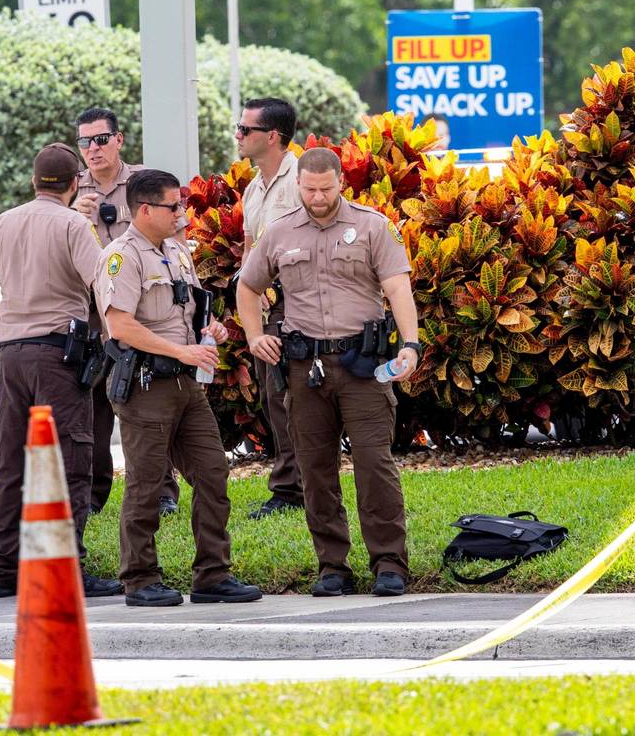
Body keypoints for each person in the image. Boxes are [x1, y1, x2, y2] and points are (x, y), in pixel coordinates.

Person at [237, 148, 422, 598]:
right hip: (304, 368)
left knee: (374, 464)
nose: (318, 197)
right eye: (309, 189)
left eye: (326, 188)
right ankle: (333, 566)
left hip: (362, 365)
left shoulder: (372, 226)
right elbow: (247, 285)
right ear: (298, 184)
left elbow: (398, 287)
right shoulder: (279, 232)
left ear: (341, 181)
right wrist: (254, 336)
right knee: (315, 469)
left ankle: (389, 564)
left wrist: (410, 344)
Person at [0, 142, 123, 600]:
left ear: (34, 182)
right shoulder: (74, 224)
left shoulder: (2, 223)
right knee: (69, 461)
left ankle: (2, 572)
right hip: (59, 356)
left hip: (11, 356)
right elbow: (103, 285)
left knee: (11, 461)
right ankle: (64, 569)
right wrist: (116, 342)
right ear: (75, 184)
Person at [98, 168, 263, 607]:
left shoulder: (176, 250)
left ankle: (212, 574)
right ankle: (139, 578)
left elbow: (184, 311)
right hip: (146, 385)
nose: (182, 213)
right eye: (175, 206)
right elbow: (119, 326)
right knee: (147, 483)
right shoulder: (121, 256)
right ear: (146, 209)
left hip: (187, 386)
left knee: (212, 472)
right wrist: (180, 352)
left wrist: (209, 331)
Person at [73, 106, 180, 518]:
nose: (93, 149)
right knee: (93, 411)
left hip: (141, 313)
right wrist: (73, 217)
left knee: (151, 404)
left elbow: (175, 236)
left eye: (101, 139)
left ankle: (162, 491)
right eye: (85, 142)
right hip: (91, 315)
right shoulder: (70, 186)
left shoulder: (145, 183)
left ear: (119, 139)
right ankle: (95, 495)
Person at [236, 97, 304, 519]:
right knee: (274, 396)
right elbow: (249, 248)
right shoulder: (253, 187)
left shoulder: (303, 179)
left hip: (301, 304)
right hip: (268, 308)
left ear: (272, 136)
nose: (238, 136)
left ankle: (293, 489)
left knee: (294, 398)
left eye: (246, 130)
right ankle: (291, 486)